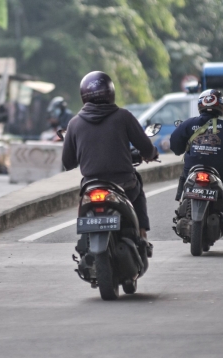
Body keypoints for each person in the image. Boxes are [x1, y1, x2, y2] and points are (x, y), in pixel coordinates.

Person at [62, 71, 158, 256]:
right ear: (110, 91)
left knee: (83, 202)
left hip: (91, 186)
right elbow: (145, 146)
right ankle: (141, 234)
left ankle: (84, 241)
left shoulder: (74, 123)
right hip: (124, 184)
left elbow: (68, 162)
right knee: (137, 190)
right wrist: (151, 154)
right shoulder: (123, 117)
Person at [170, 89, 223, 207]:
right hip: (220, 172)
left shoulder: (188, 124)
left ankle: (181, 201)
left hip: (192, 168)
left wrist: (180, 150)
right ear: (222, 106)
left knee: (184, 176)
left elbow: (175, 143)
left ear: (200, 105)